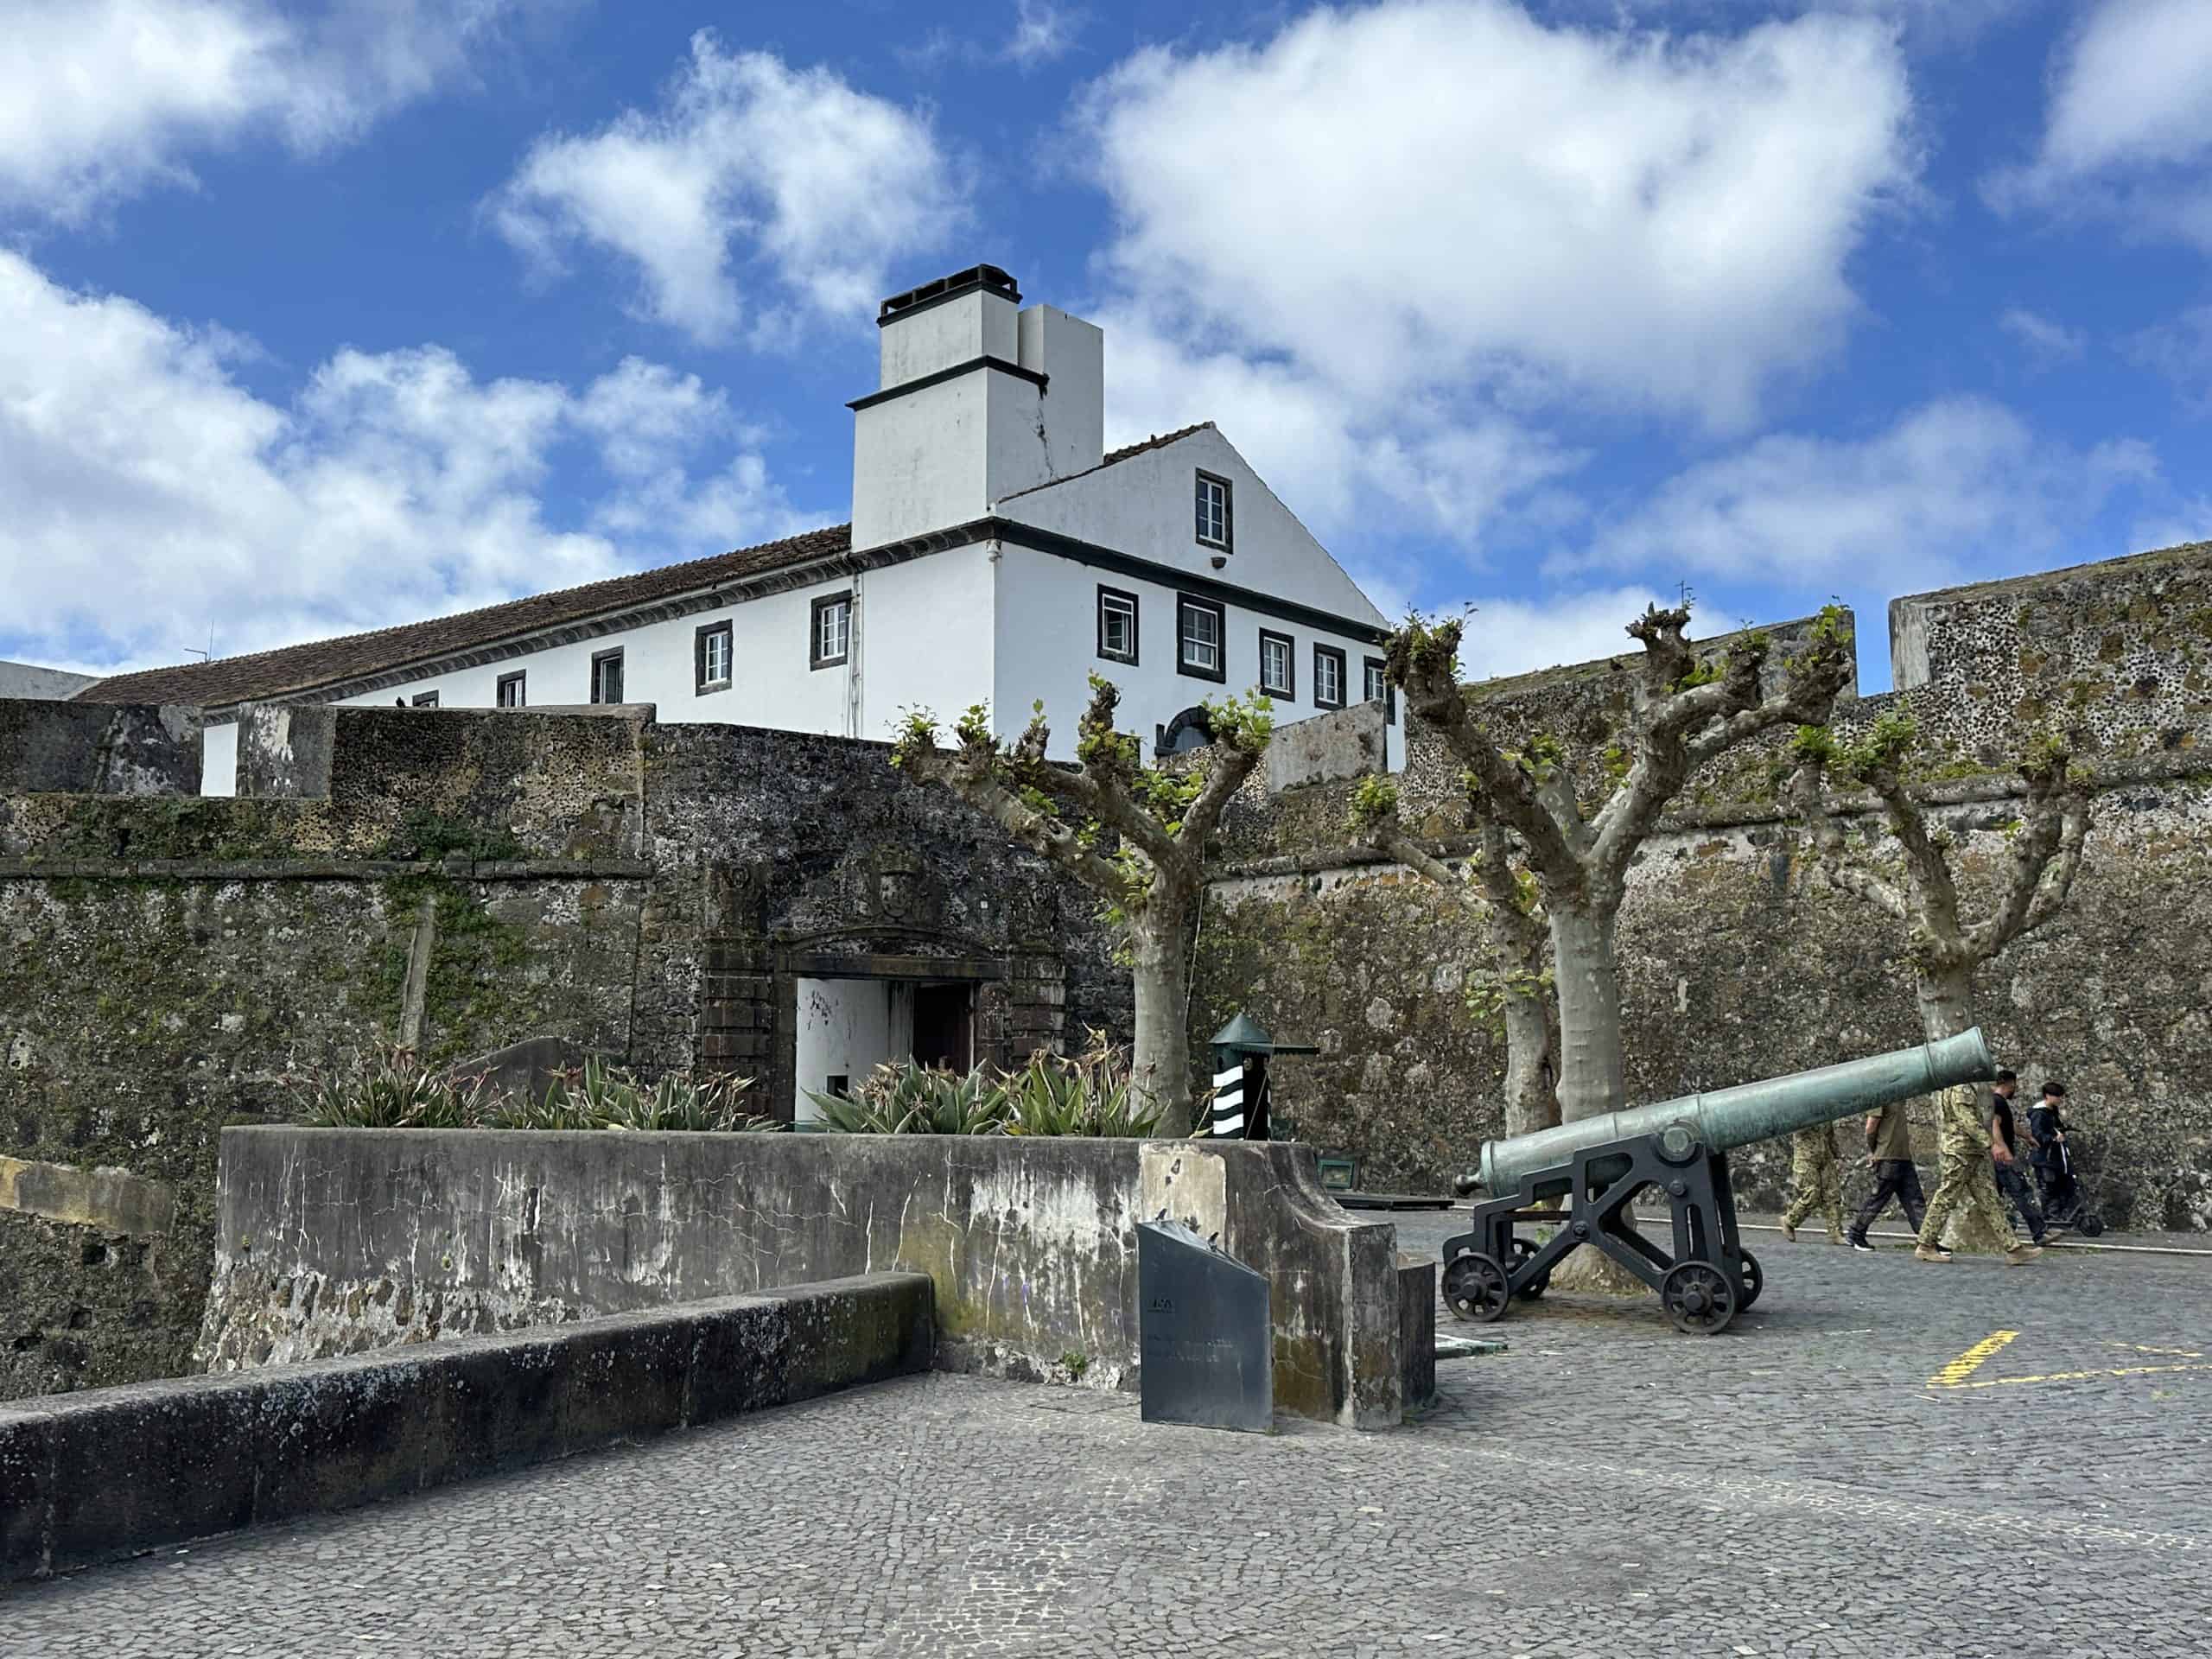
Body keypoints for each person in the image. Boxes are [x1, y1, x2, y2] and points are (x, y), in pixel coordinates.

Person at [1916, 1080, 2042, 1265]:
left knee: (1989, 1200)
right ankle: (1925, 1245)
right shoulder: (1960, 1088)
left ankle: (2014, 1249)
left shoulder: (1958, 1086)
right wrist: (1992, 1144)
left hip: (1970, 1152)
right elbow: (1968, 1121)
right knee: (1946, 1197)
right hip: (1960, 1153)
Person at [1846, 1094, 1925, 1251]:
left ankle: (1927, 1239)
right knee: (1878, 1199)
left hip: (1902, 1156)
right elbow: (1871, 1126)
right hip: (1888, 1157)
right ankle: (1856, 1233)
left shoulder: (1899, 1095)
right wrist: (1875, 1151)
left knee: (1915, 1200)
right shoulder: (1880, 1095)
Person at [1988, 1069, 2047, 1246]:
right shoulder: (1997, 1102)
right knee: (2021, 1192)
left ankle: (1996, 1235)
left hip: (1997, 1157)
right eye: (2015, 1085)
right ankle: (2040, 1233)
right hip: (2003, 1158)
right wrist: (2003, 1149)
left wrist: (2027, 1137)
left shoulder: (1999, 1102)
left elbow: (2011, 1124)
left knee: (1994, 1198)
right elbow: (1995, 1125)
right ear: (2010, 1084)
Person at [1779, 1122, 1845, 1244]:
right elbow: (1797, 1128)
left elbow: (1830, 1134)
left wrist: (1837, 1154)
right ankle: (1789, 1221)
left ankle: (1835, 1233)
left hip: (1825, 1157)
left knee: (1832, 1194)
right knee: (1812, 1194)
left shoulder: (1826, 1110)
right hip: (1806, 1158)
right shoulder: (1802, 1109)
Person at [2028, 1081, 2072, 1213]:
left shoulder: (2052, 1111)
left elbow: (2054, 1127)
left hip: (2054, 1156)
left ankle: (2054, 1214)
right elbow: (2038, 1133)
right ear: (2048, 1096)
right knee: (2048, 1186)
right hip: (2045, 1157)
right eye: (2058, 1096)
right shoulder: (2039, 1113)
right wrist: (2053, 1138)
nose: (2060, 1099)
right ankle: (2045, 1217)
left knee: (2058, 1185)